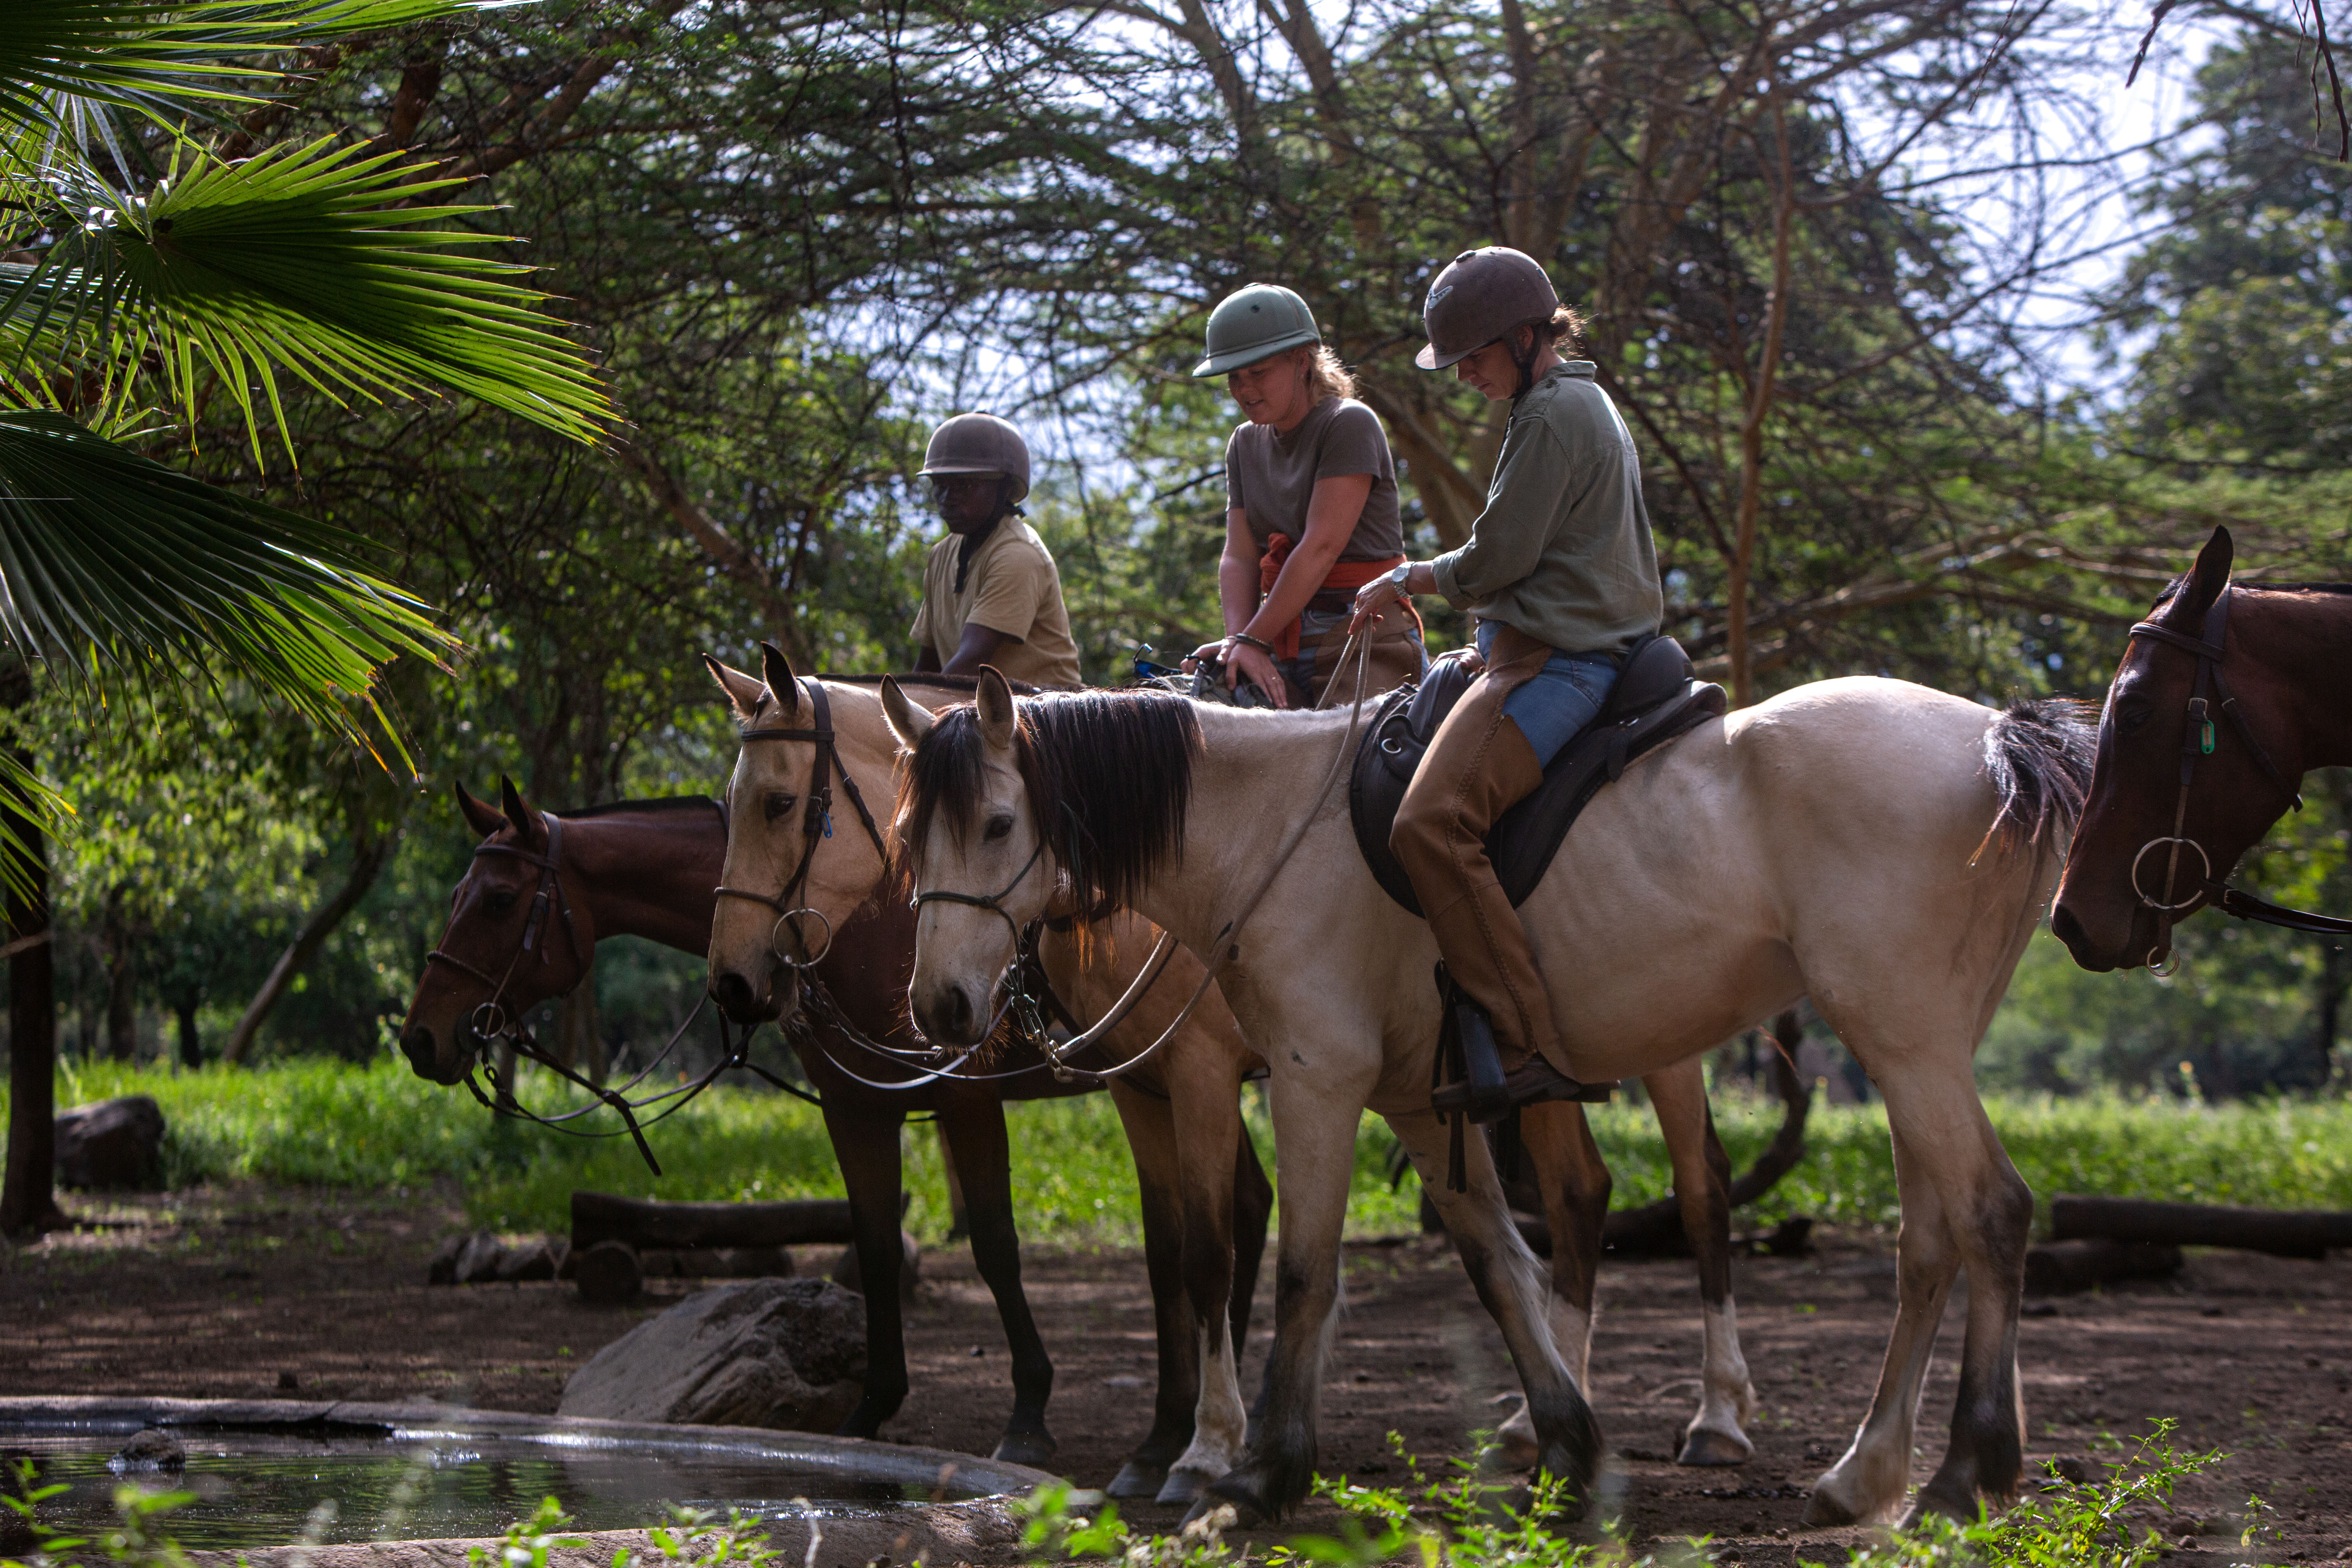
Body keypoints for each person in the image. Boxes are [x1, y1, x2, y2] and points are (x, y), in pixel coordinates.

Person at [1348, 247, 1664, 1123]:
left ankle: (1528, 1042)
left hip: (1556, 660)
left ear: (1527, 338)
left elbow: (1498, 559)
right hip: (1551, 646)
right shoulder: (1571, 400)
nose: (1468, 377)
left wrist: (1410, 577)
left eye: (1477, 358)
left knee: (1429, 825)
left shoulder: (1551, 415)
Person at [1184, 283, 1425, 708]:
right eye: (1234, 377)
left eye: (1258, 373)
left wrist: (1253, 637)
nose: (1243, 390)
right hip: (1275, 638)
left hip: (1360, 634)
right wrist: (1237, 646)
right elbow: (1239, 555)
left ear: (1301, 361)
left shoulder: (1348, 424)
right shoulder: (1243, 443)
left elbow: (1321, 546)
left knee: (1362, 760)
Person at [910, 412, 1084, 689]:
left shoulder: (1018, 554)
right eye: (940, 485)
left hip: (1047, 721)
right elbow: (927, 668)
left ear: (1004, 487)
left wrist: (913, 716)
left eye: (964, 485)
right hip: (979, 717)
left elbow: (971, 664)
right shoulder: (941, 555)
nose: (947, 498)